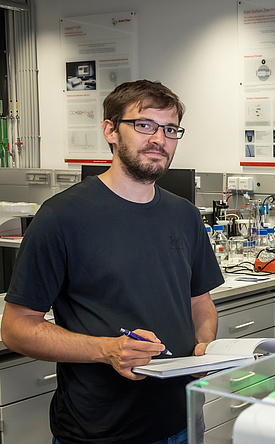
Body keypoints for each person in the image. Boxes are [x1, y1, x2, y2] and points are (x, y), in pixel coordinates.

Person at [1, 80, 224, 444]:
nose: (159, 139)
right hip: (102, 429)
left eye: (170, 129)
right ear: (110, 130)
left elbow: (200, 303)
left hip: (181, 418)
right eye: (144, 125)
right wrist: (106, 350)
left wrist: (203, 345)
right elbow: (16, 328)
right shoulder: (62, 216)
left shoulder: (184, 215)